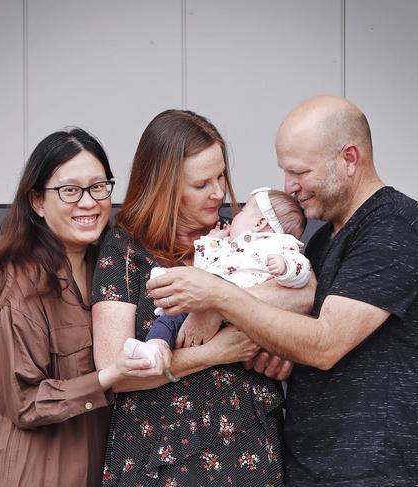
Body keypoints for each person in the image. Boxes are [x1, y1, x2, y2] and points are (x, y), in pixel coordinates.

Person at [146, 95, 418, 486]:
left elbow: (325, 344)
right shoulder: (322, 242)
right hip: (307, 464)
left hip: (372, 469)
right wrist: (279, 345)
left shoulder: (395, 228)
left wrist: (216, 297)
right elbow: (299, 320)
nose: (289, 187)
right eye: (284, 172)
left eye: (300, 172)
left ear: (350, 158)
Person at [91, 109, 311, 486]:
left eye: (221, 175)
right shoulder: (126, 250)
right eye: (201, 184)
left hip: (247, 444)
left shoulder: (243, 237)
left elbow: (304, 293)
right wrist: (219, 351)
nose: (219, 192)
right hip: (160, 454)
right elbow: (114, 371)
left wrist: (215, 302)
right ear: (162, 185)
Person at [0, 128, 157, 487]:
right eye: (70, 190)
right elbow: (26, 402)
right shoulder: (15, 285)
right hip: (26, 475)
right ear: (36, 201)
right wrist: (108, 377)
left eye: (99, 187)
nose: (88, 202)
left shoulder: (112, 269)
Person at [126, 187, 310, 363]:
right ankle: (156, 347)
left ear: (259, 222)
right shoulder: (230, 246)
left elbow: (303, 270)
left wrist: (285, 267)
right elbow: (204, 268)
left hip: (236, 313)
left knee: (203, 289)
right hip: (204, 297)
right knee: (170, 316)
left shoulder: (280, 246)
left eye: (243, 210)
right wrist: (212, 241)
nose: (235, 216)